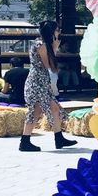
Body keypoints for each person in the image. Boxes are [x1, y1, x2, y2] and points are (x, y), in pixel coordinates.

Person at [19, 21, 77, 152]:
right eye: (57, 30)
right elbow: (50, 66)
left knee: (51, 108)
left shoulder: (40, 43)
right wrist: (55, 47)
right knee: (36, 110)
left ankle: (58, 138)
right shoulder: (42, 45)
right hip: (37, 83)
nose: (58, 32)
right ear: (51, 32)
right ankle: (26, 141)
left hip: (39, 82)